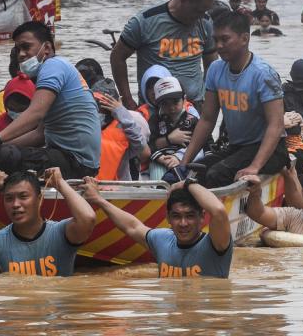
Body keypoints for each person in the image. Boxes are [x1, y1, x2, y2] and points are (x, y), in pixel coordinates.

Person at [180, 12, 289, 188]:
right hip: (237, 147)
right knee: (197, 170)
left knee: (217, 174)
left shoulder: (263, 74)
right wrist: (184, 162)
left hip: (271, 150)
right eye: (215, 40)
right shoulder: (215, 69)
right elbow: (207, 119)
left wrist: (255, 166)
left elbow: (276, 126)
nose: (219, 46)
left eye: (225, 39)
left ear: (245, 39)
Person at [0, 22, 100, 179]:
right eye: (18, 49)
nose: (21, 54)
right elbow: (40, 135)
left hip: (76, 163)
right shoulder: (53, 69)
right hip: (73, 160)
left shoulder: (53, 66)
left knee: (4, 156)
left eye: (26, 47)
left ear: (47, 48)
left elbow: (36, 113)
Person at [0, 169, 97, 277]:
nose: (15, 204)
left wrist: (60, 183)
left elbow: (88, 218)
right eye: (9, 199)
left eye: (23, 196)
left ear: (39, 199)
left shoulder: (60, 232)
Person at [83, 177, 233, 278]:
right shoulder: (162, 240)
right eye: (176, 216)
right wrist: (99, 200)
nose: (183, 223)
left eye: (190, 216)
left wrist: (188, 183)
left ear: (202, 217)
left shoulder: (216, 244)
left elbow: (218, 211)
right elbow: (132, 226)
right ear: (168, 218)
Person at [111, 0, 217, 112]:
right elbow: (117, 57)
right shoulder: (144, 21)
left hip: (195, 107)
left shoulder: (206, 23)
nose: (200, 17)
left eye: (204, 12)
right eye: (197, 11)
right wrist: (128, 100)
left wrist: (208, 101)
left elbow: (212, 65)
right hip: (155, 108)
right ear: (184, 0)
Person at [147, 77, 208, 181]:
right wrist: (161, 159)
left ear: (184, 99)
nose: (171, 107)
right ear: (158, 104)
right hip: (160, 160)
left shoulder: (192, 120)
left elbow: (204, 143)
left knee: (190, 178)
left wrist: (179, 157)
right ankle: (157, 194)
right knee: (158, 183)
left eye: (175, 102)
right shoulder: (154, 121)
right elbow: (149, 145)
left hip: (187, 159)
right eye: (165, 103)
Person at [92, 78, 147, 181]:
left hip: (119, 188)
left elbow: (140, 144)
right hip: (90, 185)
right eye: (98, 104)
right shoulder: (86, 125)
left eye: (107, 104)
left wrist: (120, 111)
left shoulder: (125, 125)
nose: (101, 109)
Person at [0, 73, 35, 142]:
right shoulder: (2, 121)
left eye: (21, 109)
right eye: (12, 108)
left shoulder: (37, 121)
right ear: (5, 105)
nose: (16, 112)